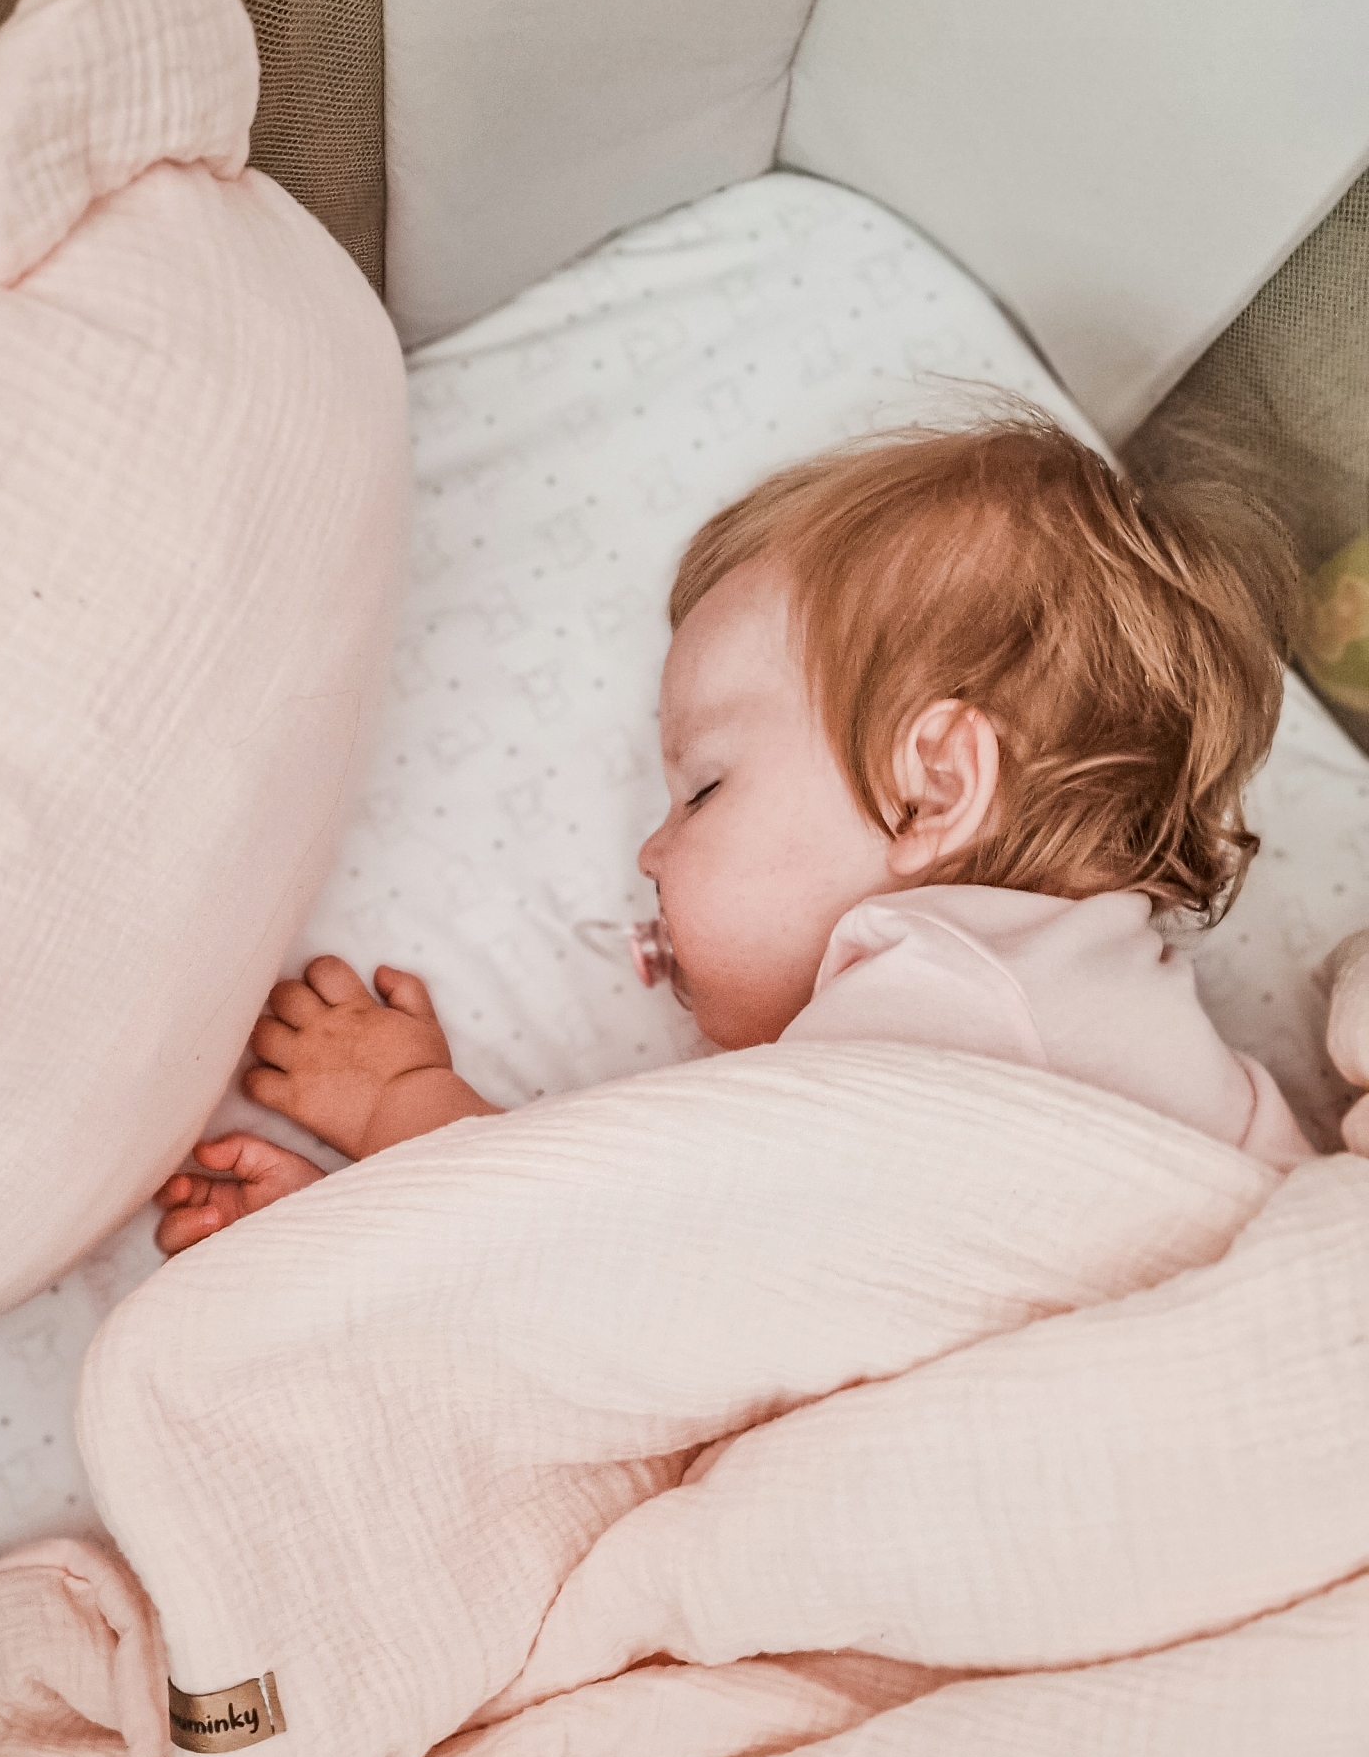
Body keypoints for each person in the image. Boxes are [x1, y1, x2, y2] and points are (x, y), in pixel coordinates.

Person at [155, 413, 1312, 1257]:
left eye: (704, 789)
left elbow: (604, 1246)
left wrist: (399, 1106)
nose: (649, 856)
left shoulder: (963, 988)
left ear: (933, 790)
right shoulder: (1084, 1025)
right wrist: (361, 1240)